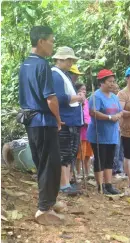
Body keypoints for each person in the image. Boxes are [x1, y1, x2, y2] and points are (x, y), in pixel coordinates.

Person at [18, 26, 64, 225]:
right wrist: (58, 118)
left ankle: (48, 202)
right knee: (50, 164)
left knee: (42, 162)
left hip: (31, 121)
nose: (52, 45)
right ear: (41, 41)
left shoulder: (25, 64)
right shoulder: (42, 65)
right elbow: (50, 98)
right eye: (52, 41)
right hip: (44, 120)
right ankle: (44, 209)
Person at [52, 46, 85, 196]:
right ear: (60, 59)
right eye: (68, 60)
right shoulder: (55, 75)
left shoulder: (63, 75)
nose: (70, 62)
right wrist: (77, 98)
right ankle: (63, 184)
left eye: (71, 60)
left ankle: (66, 182)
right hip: (64, 120)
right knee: (63, 153)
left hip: (71, 120)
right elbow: (58, 97)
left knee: (70, 153)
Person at [87, 69, 122, 194]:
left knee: (110, 159)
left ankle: (109, 184)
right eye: (109, 82)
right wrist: (109, 117)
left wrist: (118, 115)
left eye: (113, 81)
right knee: (100, 159)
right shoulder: (96, 96)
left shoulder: (114, 97)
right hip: (99, 133)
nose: (112, 84)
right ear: (102, 82)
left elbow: (120, 110)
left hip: (112, 133)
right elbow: (92, 112)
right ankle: (100, 185)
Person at [75, 83, 94, 180]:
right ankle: (78, 173)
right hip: (81, 132)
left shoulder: (87, 101)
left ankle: (87, 172)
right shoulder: (76, 102)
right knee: (80, 155)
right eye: (81, 90)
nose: (83, 92)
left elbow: (90, 114)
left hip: (88, 132)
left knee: (88, 154)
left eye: (85, 90)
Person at [111, 83, 125, 179]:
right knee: (115, 149)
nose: (117, 90)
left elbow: (121, 112)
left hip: (121, 128)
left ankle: (120, 169)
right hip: (114, 127)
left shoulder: (117, 99)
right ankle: (114, 170)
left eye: (117, 88)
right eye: (115, 89)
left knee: (120, 150)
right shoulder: (110, 99)